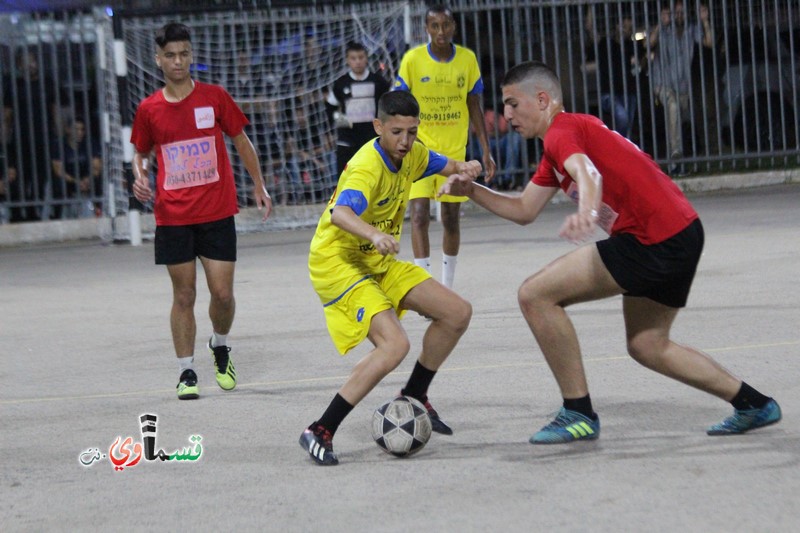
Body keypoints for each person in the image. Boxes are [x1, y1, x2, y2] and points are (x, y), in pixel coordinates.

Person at [439, 60, 781, 445]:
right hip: (680, 232)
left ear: (542, 99)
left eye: (512, 104)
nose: (507, 115)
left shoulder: (561, 131)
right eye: (504, 106)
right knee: (647, 345)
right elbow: (524, 210)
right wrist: (471, 191)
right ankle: (754, 403)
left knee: (535, 295)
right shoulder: (558, 146)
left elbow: (589, 173)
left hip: (651, 239)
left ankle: (578, 412)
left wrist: (587, 208)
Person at [299, 91, 481, 465]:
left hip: (377, 258)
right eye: (396, 132)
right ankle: (320, 429)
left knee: (457, 312)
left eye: (412, 132)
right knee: (394, 345)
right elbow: (341, 215)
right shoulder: (367, 165)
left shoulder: (413, 152)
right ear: (378, 126)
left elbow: (446, 164)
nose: (405, 141)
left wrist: (467, 167)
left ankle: (415, 396)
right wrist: (374, 234)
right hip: (338, 261)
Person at [130, 22, 273, 400]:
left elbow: (241, 140)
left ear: (192, 56)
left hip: (216, 210)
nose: (179, 62)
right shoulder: (149, 109)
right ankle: (186, 371)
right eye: (171, 56)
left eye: (185, 54)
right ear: (158, 60)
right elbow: (140, 153)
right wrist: (139, 176)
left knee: (222, 295)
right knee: (184, 296)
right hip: (173, 216)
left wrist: (258, 184)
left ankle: (220, 344)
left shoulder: (215, 97)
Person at [394, 4, 496, 290]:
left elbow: (474, 104)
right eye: (434, 26)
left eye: (446, 25)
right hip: (420, 150)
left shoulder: (467, 59)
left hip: (454, 151)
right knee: (418, 215)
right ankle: (426, 287)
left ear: (454, 27)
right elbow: (400, 104)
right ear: (426, 28)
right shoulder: (413, 60)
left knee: (450, 218)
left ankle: (447, 287)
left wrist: (485, 149)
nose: (441, 32)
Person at [649, 1, 714, 174]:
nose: (679, 16)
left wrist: (705, 21)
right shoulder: (663, 30)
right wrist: (659, 23)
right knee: (673, 107)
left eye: (682, 13)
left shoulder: (691, 30)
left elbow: (710, 42)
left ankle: (675, 164)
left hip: (683, 86)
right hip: (662, 83)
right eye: (675, 13)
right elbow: (648, 43)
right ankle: (676, 155)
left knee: (677, 119)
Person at [326, 41, 391, 178]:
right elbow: (331, 106)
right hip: (347, 140)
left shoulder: (378, 81)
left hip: (372, 138)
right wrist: (342, 123)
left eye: (361, 57)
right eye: (353, 58)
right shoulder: (341, 83)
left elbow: (390, 104)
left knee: (375, 176)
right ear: (347, 60)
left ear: (366, 58)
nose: (357, 62)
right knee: (346, 178)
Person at [584, 12, 643, 139]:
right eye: (623, 26)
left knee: (627, 128)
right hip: (608, 93)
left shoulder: (631, 45)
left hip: (629, 92)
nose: (625, 30)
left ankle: (621, 152)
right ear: (617, 25)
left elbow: (640, 63)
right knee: (623, 117)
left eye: (628, 28)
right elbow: (589, 27)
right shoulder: (605, 43)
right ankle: (616, 143)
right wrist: (590, 7)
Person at [50, 118, 102, 218]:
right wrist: (76, 181)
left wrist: (87, 179)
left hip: (86, 178)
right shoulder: (59, 145)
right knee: (57, 183)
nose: (79, 132)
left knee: (99, 179)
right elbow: (58, 170)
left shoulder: (90, 143)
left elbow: (97, 166)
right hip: (69, 179)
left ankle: (99, 210)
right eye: (76, 129)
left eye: (82, 129)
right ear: (68, 130)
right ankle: (57, 215)